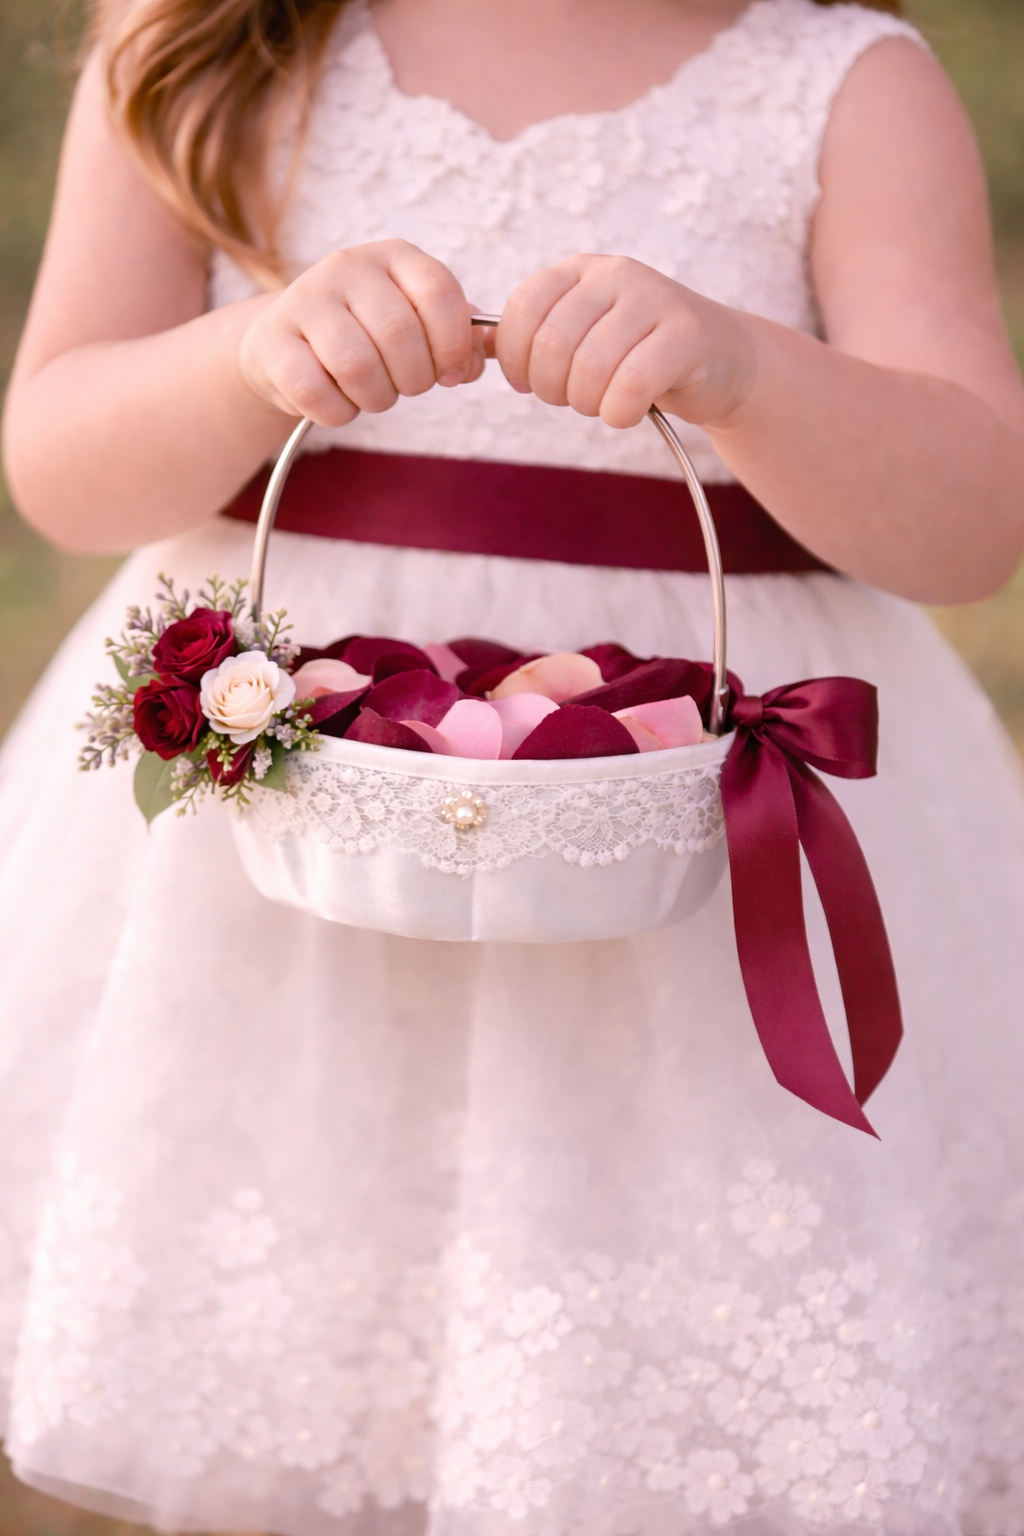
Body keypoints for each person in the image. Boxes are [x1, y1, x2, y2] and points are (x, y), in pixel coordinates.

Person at [2, 0, 1024, 1531]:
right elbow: (63, 474)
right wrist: (248, 356)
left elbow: (970, 522)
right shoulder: (204, 43)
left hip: (685, 855)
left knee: (652, 1406)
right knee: (308, 1377)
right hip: (282, 864)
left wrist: (747, 370)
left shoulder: (846, 83)